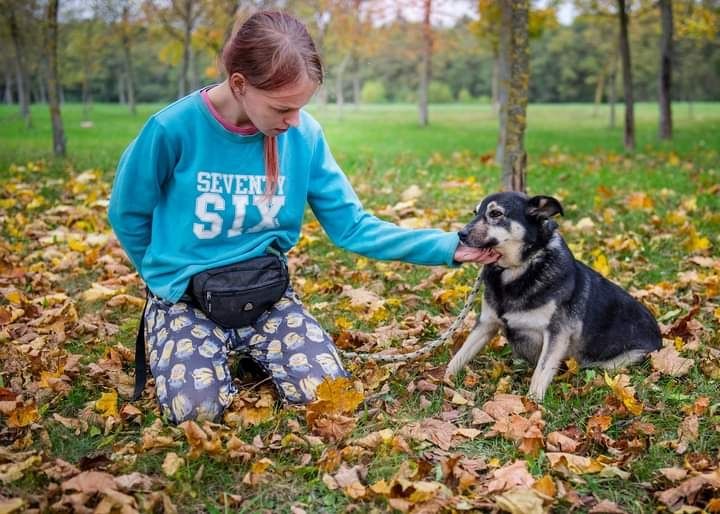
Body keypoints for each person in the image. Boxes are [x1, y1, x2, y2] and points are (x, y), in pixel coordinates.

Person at [108, 10, 497, 424]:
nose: (294, 120)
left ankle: (252, 350)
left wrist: (447, 247)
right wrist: (164, 278)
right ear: (239, 84)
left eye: (300, 107)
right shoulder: (172, 128)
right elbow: (127, 212)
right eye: (283, 108)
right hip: (186, 300)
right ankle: (191, 338)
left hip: (264, 295)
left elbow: (353, 226)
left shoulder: (303, 135)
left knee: (327, 396)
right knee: (197, 413)